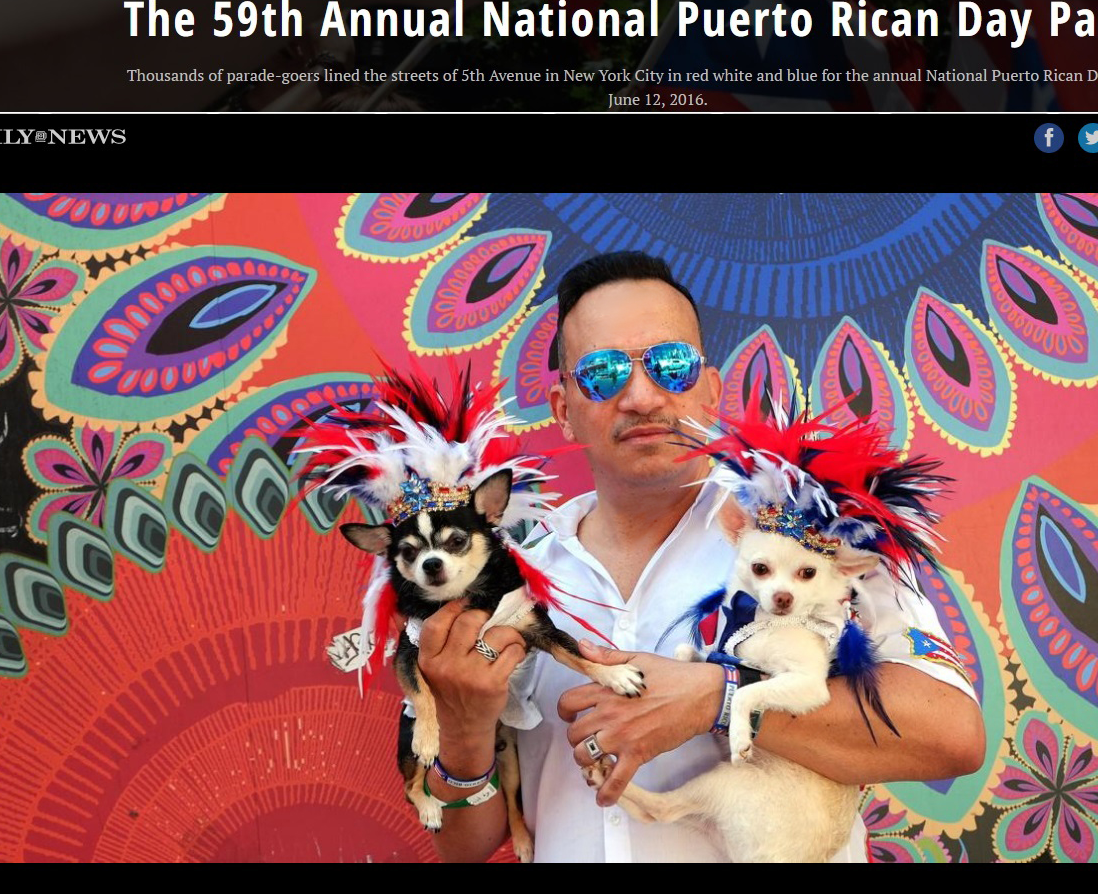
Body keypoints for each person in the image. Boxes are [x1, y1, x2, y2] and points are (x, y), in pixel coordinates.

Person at [414, 252, 985, 862]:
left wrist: (719, 699)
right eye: (603, 374)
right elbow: (463, 849)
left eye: (671, 364)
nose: (640, 395)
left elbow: (951, 735)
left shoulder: (813, 531)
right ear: (563, 409)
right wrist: (468, 733)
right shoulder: (500, 578)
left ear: (709, 391)